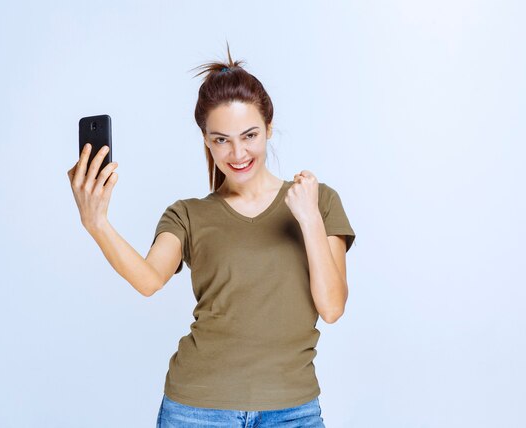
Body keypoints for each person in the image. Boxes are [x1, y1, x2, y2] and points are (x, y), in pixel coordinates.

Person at [67, 43, 355, 428]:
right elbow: (149, 280)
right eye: (221, 139)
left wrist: (309, 221)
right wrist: (96, 223)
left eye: (249, 135)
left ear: (269, 128)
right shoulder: (188, 214)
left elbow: (332, 308)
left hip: (293, 410)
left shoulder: (318, 201)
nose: (237, 152)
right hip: (197, 410)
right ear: (206, 139)